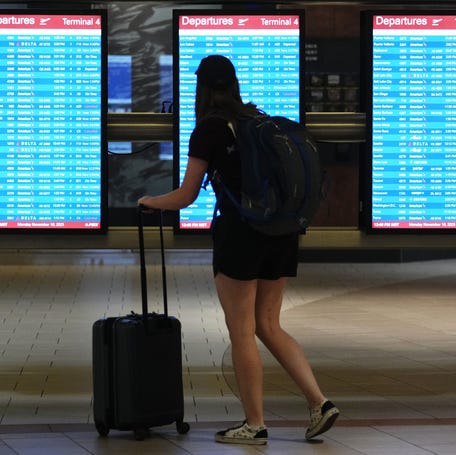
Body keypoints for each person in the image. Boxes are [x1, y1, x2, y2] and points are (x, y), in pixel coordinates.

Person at [138, 54, 339, 445]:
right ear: (233, 84)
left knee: (242, 330)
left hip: (241, 234)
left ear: (201, 88)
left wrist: (149, 201)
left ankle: (254, 423)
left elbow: (186, 195)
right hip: (281, 232)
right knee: (269, 324)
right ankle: (320, 402)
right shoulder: (256, 119)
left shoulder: (210, 129)